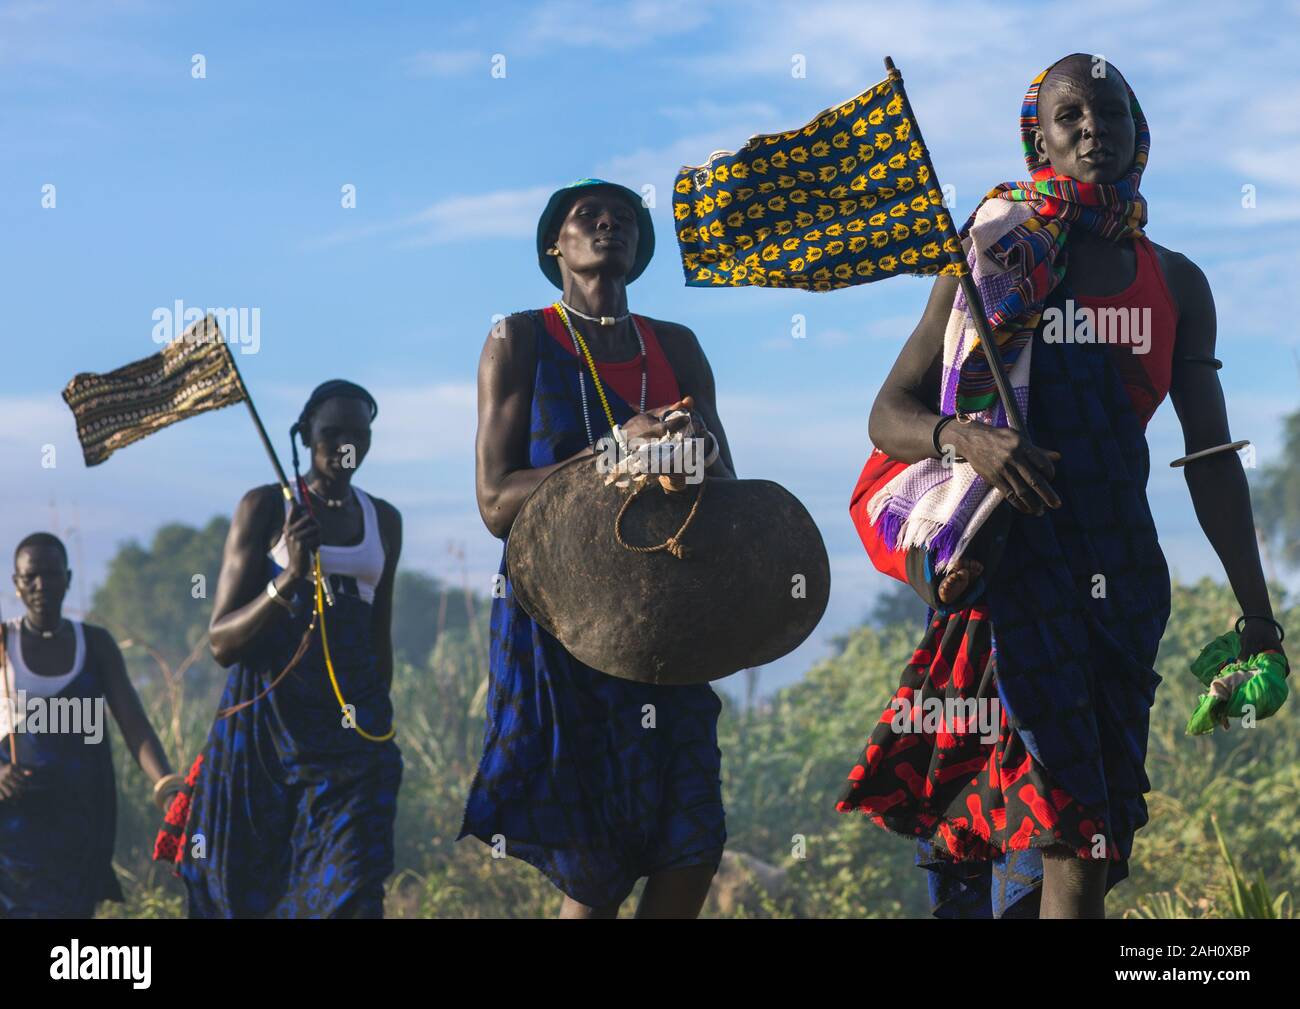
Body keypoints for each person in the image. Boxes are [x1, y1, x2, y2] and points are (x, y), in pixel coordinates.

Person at [837, 54, 1287, 919]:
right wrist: (967, 436)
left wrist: (1257, 616)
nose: (1092, 129)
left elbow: (1210, 459)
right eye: (1070, 114)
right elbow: (888, 412)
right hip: (1008, 574)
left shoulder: (1178, 281)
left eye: (1111, 114)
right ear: (1037, 136)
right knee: (1066, 829)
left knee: (1091, 831)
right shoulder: (992, 256)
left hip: (1119, 580)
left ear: (1137, 135)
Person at [463, 178, 737, 918]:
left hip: (666, 621)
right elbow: (496, 502)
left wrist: (689, 456)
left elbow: (728, 488)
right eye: (589, 216)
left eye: (625, 219)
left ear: (641, 247)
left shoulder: (675, 347)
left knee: (694, 837)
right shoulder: (519, 338)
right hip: (564, 623)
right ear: (555, 243)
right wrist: (618, 448)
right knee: (596, 863)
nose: (609, 224)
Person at [178, 381, 404, 918]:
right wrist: (290, 578)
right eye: (331, 433)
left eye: (359, 435)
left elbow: (378, 638)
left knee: (352, 889)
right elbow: (221, 643)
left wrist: (375, 725)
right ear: (303, 436)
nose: (345, 446)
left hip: (352, 745)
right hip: (265, 743)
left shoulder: (384, 521)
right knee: (247, 893)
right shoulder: (266, 508)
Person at [0, 532, 178, 918]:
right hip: (14, 828)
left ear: (68, 578)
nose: (41, 585)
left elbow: (135, 725)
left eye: (50, 574)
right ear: (16, 583)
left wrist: (168, 785)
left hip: (79, 821)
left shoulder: (95, 645)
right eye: (30, 577)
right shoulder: (2, 644)